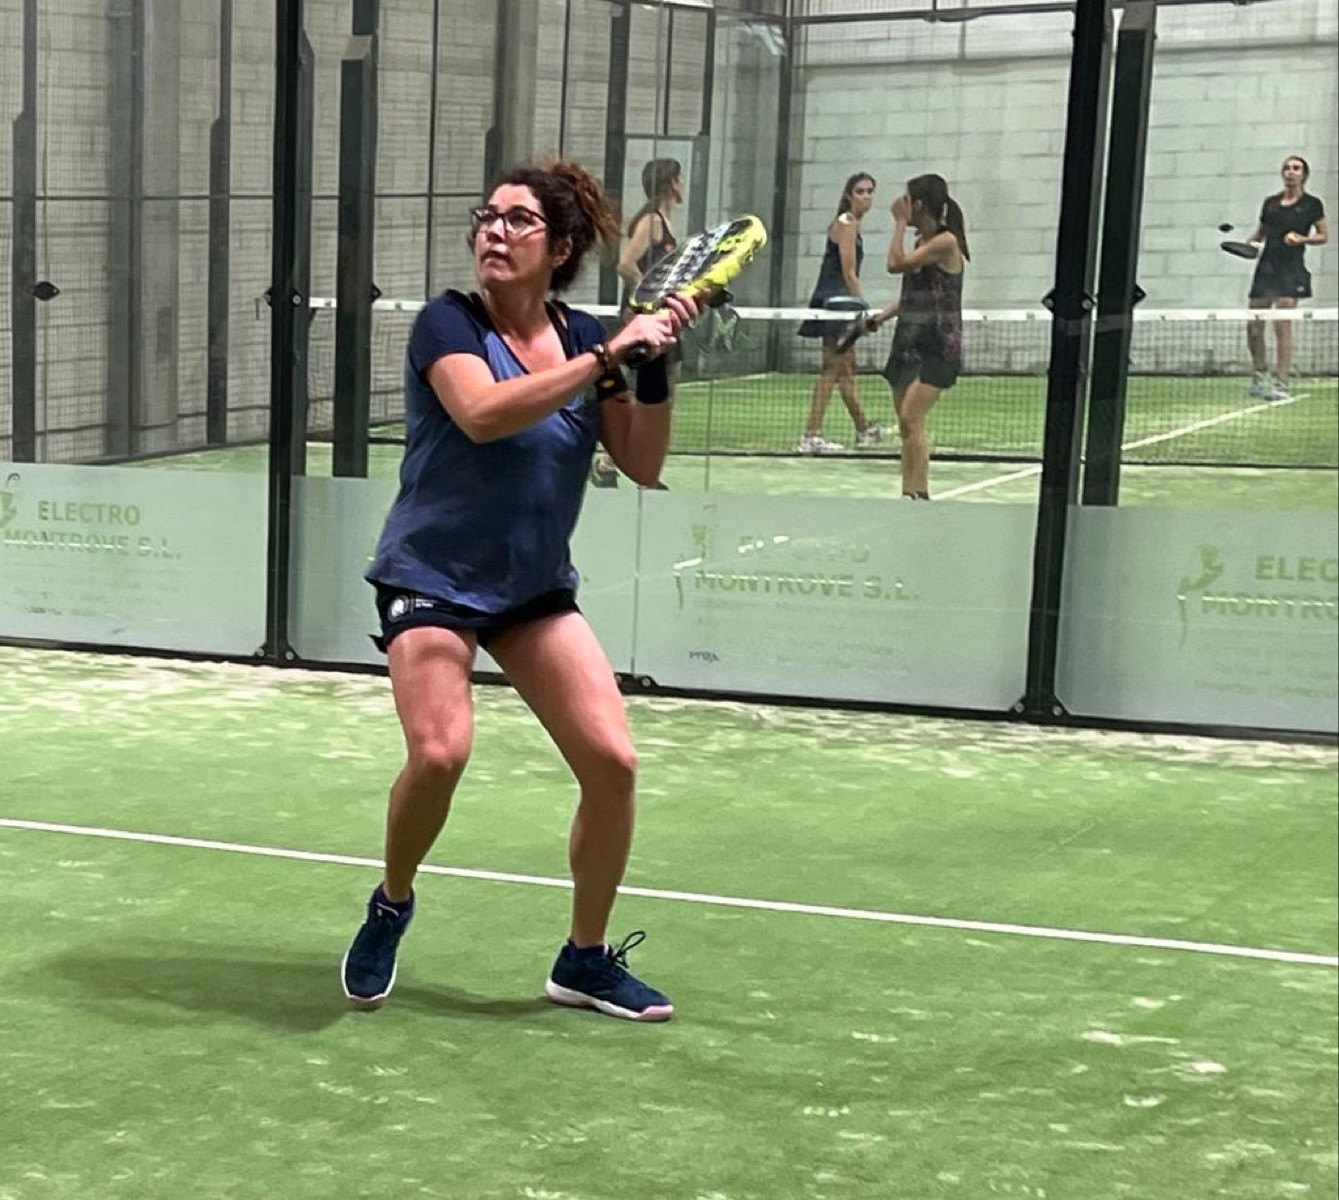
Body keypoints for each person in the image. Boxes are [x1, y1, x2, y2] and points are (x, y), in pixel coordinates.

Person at [341, 156, 701, 1022]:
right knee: (439, 753)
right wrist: (608, 356)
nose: (492, 233)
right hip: (430, 576)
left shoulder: (584, 338)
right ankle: (392, 902)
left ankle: (583, 960)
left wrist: (652, 366)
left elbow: (641, 462)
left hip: (531, 589)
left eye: (516, 221)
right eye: (487, 217)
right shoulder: (448, 323)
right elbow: (482, 413)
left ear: (560, 248)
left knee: (612, 763)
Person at [586, 158, 686, 489]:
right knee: (646, 393)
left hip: (663, 321)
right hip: (644, 321)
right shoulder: (652, 221)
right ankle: (616, 464)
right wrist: (651, 294)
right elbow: (625, 264)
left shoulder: (666, 223)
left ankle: (634, 467)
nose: (682, 185)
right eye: (679, 179)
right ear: (670, 184)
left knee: (667, 391)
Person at [880, 173, 968, 500]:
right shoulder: (921, 244)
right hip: (909, 340)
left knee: (910, 417)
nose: (901, 204)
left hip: (939, 346)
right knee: (908, 427)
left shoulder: (946, 243)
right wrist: (879, 318)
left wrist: (899, 223)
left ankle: (920, 494)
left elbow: (895, 264)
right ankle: (911, 492)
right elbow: (912, 296)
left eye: (907, 200)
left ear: (917, 205)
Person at [795, 173, 885, 455]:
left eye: (870, 191)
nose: (866, 196)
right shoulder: (846, 223)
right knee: (833, 367)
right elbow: (849, 271)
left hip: (840, 302)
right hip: (835, 304)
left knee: (846, 368)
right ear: (848, 195)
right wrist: (863, 309)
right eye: (860, 191)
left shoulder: (852, 224)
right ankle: (811, 436)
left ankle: (864, 428)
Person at [1244, 155, 1328, 401]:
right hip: (1266, 268)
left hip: (1291, 269)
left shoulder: (1312, 204)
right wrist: (1249, 244)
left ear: (1304, 175)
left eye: (1296, 168)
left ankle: (1282, 383)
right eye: (1287, 168)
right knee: (1254, 325)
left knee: (1282, 324)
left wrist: (1303, 238)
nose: (1291, 172)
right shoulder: (1270, 204)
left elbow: (1323, 235)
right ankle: (1260, 374)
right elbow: (1260, 234)